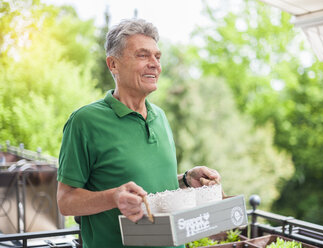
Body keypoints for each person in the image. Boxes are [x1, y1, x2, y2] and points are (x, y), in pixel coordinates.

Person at [56, 18, 221, 248]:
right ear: (113, 64)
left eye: (157, 56)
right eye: (143, 55)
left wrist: (184, 180)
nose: (155, 64)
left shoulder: (160, 117)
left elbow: (150, 190)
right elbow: (65, 201)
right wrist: (114, 197)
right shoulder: (84, 121)